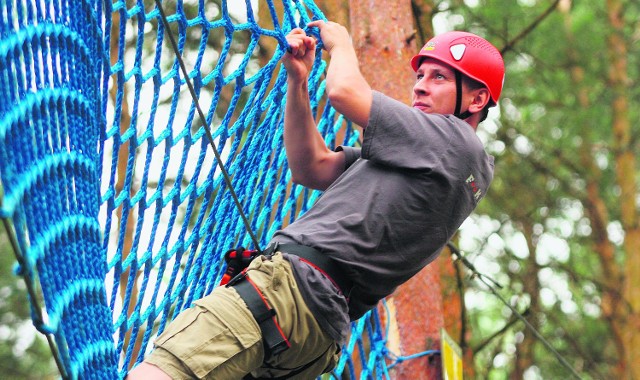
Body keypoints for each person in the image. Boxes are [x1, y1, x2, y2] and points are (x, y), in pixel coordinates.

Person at [128, 20, 504, 379]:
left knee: (158, 373)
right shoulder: (431, 158)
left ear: (477, 99)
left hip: (289, 291)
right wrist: (299, 82)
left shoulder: (454, 142)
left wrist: (340, 44)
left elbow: (344, 93)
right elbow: (312, 167)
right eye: (419, 76)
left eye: (438, 77)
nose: (420, 87)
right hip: (314, 332)